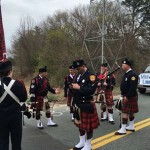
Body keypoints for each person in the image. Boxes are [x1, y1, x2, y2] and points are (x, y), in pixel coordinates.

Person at [71, 60, 99, 150]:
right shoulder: (77, 75)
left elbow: (90, 90)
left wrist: (78, 87)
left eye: (78, 68)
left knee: (88, 127)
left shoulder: (91, 76)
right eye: (76, 69)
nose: (77, 70)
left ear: (83, 66)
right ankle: (82, 142)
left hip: (87, 104)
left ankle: (88, 145)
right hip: (78, 103)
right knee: (80, 125)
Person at [0, 60, 27, 150]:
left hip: (1, 118)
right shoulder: (19, 83)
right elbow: (23, 99)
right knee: (16, 144)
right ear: (10, 71)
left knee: (3, 144)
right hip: (16, 117)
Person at [115, 58, 139, 135]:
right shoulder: (127, 73)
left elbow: (133, 88)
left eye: (123, 64)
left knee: (124, 112)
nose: (122, 66)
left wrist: (127, 97)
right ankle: (131, 126)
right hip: (127, 96)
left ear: (127, 65)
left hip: (129, 96)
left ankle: (123, 129)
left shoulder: (133, 74)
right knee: (131, 112)